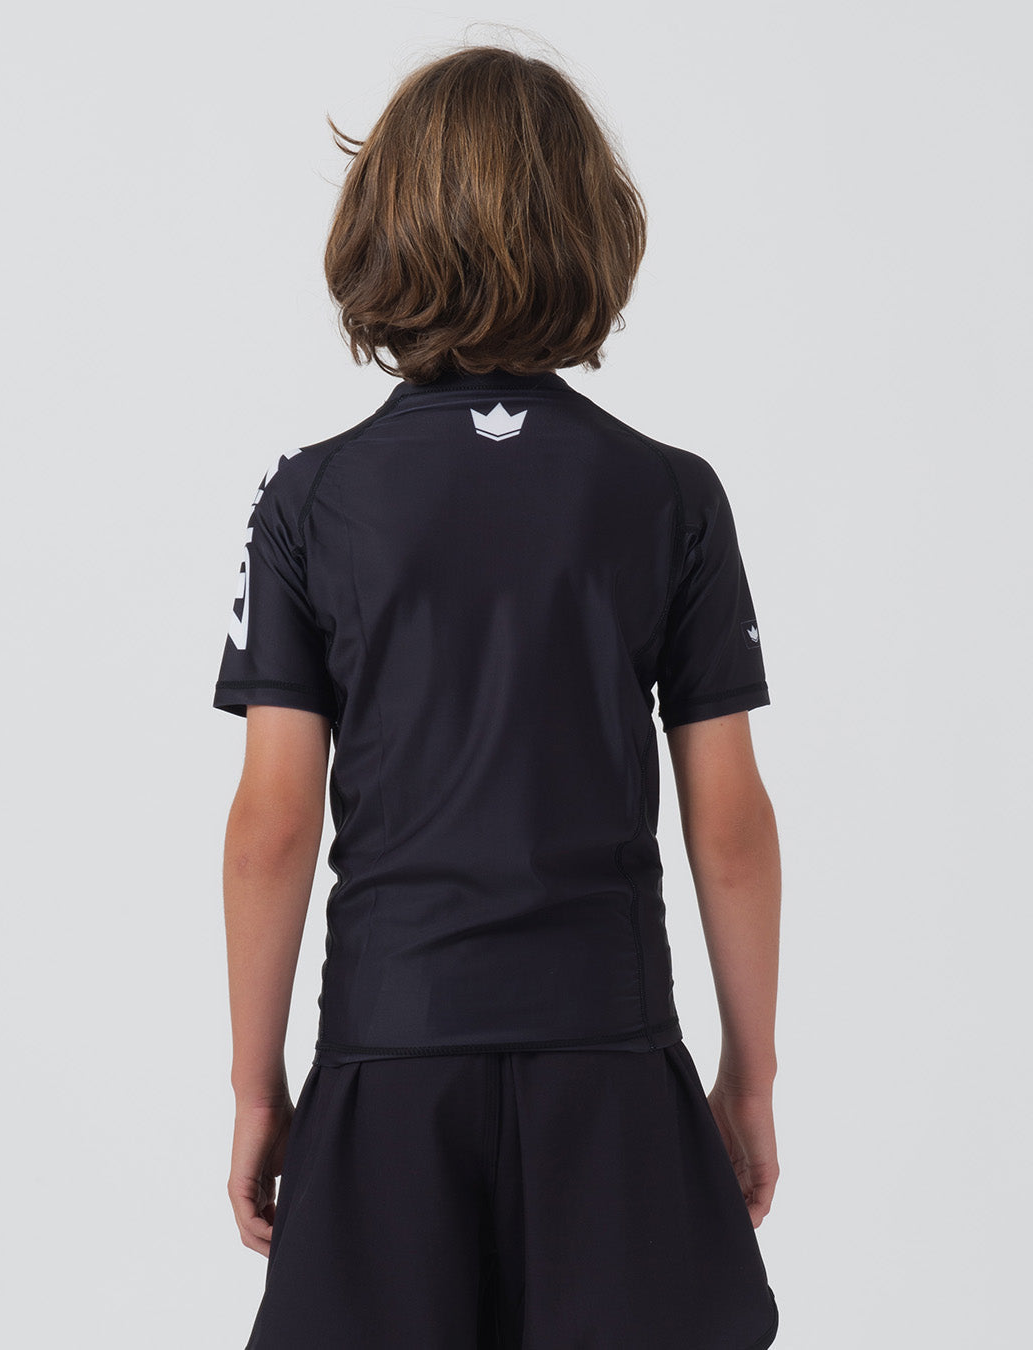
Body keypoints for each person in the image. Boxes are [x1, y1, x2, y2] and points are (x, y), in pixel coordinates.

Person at [213, 41, 781, 1350]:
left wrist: (256, 1087)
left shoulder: (310, 501)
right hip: (609, 1057)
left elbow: (271, 826)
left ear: (382, 228)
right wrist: (749, 1074)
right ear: (594, 231)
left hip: (388, 1057)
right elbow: (732, 823)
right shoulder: (670, 495)